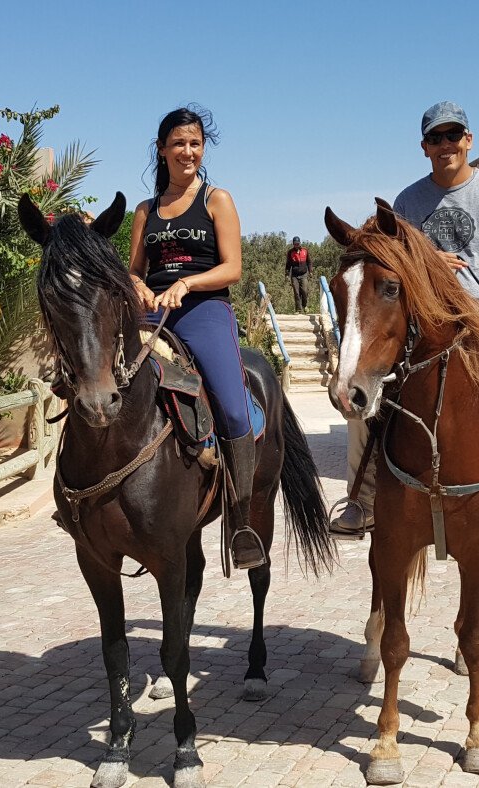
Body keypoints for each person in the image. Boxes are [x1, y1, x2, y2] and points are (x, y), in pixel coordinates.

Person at [329, 100, 479, 562]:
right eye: (435, 138)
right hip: (425, 334)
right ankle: (363, 501)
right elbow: (388, 261)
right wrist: (429, 259)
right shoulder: (407, 202)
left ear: (468, 141)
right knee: (361, 401)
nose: (445, 145)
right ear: (424, 147)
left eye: (453, 136)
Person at [127, 106, 265, 570]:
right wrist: (140, 286)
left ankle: (242, 519)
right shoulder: (145, 210)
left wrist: (187, 283)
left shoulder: (215, 199)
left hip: (204, 309)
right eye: (179, 144)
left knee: (229, 402)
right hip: (152, 310)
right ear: (162, 150)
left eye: (195, 144)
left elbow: (233, 267)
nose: (188, 152)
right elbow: (133, 270)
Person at [285, 236, 312, 312]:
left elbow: (309, 262)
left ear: (300, 243)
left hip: (304, 274)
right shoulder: (290, 252)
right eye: (295, 244)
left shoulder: (305, 251)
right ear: (293, 244)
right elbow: (288, 265)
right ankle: (298, 309)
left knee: (304, 290)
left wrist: (310, 272)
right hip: (294, 275)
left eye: (297, 244)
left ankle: (305, 305)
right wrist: (287, 274)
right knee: (296, 292)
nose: (296, 245)